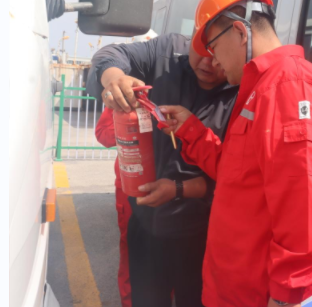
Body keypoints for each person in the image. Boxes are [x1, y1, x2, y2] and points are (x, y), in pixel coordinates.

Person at [161, 0, 312, 307]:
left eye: (214, 47)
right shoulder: (264, 88)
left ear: (239, 32)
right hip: (233, 291)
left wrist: (288, 298)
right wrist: (190, 129)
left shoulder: (288, 87)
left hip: (255, 297)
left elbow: (301, 210)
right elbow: (237, 174)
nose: (213, 61)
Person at [86, 23, 238, 307]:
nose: (208, 62)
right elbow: (110, 54)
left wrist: (179, 188)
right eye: (202, 50)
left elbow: (240, 177)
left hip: (203, 235)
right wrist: (115, 79)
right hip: (147, 226)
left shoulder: (242, 91)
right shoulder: (167, 51)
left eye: (217, 54)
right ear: (193, 38)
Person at [95, 107, 133, 307]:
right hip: (131, 187)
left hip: (172, 186)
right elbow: (104, 135)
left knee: (169, 253)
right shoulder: (126, 97)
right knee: (130, 250)